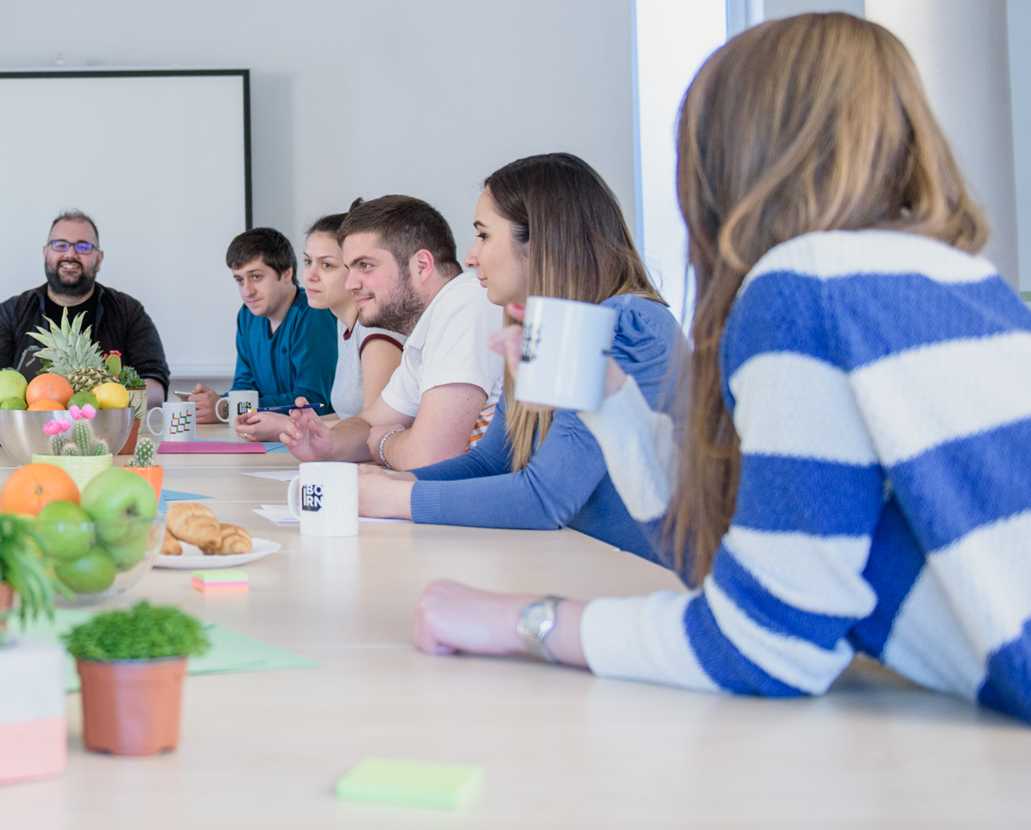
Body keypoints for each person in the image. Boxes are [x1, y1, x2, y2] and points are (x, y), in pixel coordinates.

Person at [412, 14, 1031, 722]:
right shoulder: (957, 279)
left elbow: (768, 645)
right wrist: (610, 401)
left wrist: (526, 621)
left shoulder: (804, 288)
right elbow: (743, 541)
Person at [357, 154, 677, 565]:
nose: (471, 258)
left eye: (484, 236)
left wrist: (397, 495)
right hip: (583, 569)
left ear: (542, 242)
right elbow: (493, 461)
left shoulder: (629, 325)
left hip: (643, 587)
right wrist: (389, 481)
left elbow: (546, 498)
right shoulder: (545, 330)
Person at [277, 196, 504, 470]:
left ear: (421, 266)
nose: (351, 284)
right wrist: (326, 442)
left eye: (365, 266)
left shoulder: (466, 303)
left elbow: (429, 456)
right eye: (349, 268)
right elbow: (371, 422)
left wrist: (386, 442)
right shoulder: (424, 333)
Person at [0, 211, 170, 410]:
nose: (70, 254)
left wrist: (109, 409)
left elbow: (155, 383)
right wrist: (18, 411)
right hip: (28, 433)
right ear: (45, 253)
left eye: (83, 247)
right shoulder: (11, 312)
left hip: (108, 435)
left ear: (100, 259)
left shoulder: (129, 312)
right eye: (60, 245)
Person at [234, 212, 402, 439]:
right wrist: (290, 423)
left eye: (326, 265)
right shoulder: (344, 327)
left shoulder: (376, 336)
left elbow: (375, 430)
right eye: (307, 262)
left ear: (356, 269)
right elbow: (348, 417)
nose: (310, 275)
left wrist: (285, 427)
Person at [185, 227, 337, 422]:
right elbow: (244, 387)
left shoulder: (313, 313)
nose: (247, 291)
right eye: (239, 280)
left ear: (286, 273)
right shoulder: (248, 315)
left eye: (256, 277)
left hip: (317, 439)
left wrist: (227, 408)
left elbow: (313, 402)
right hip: (269, 436)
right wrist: (218, 405)